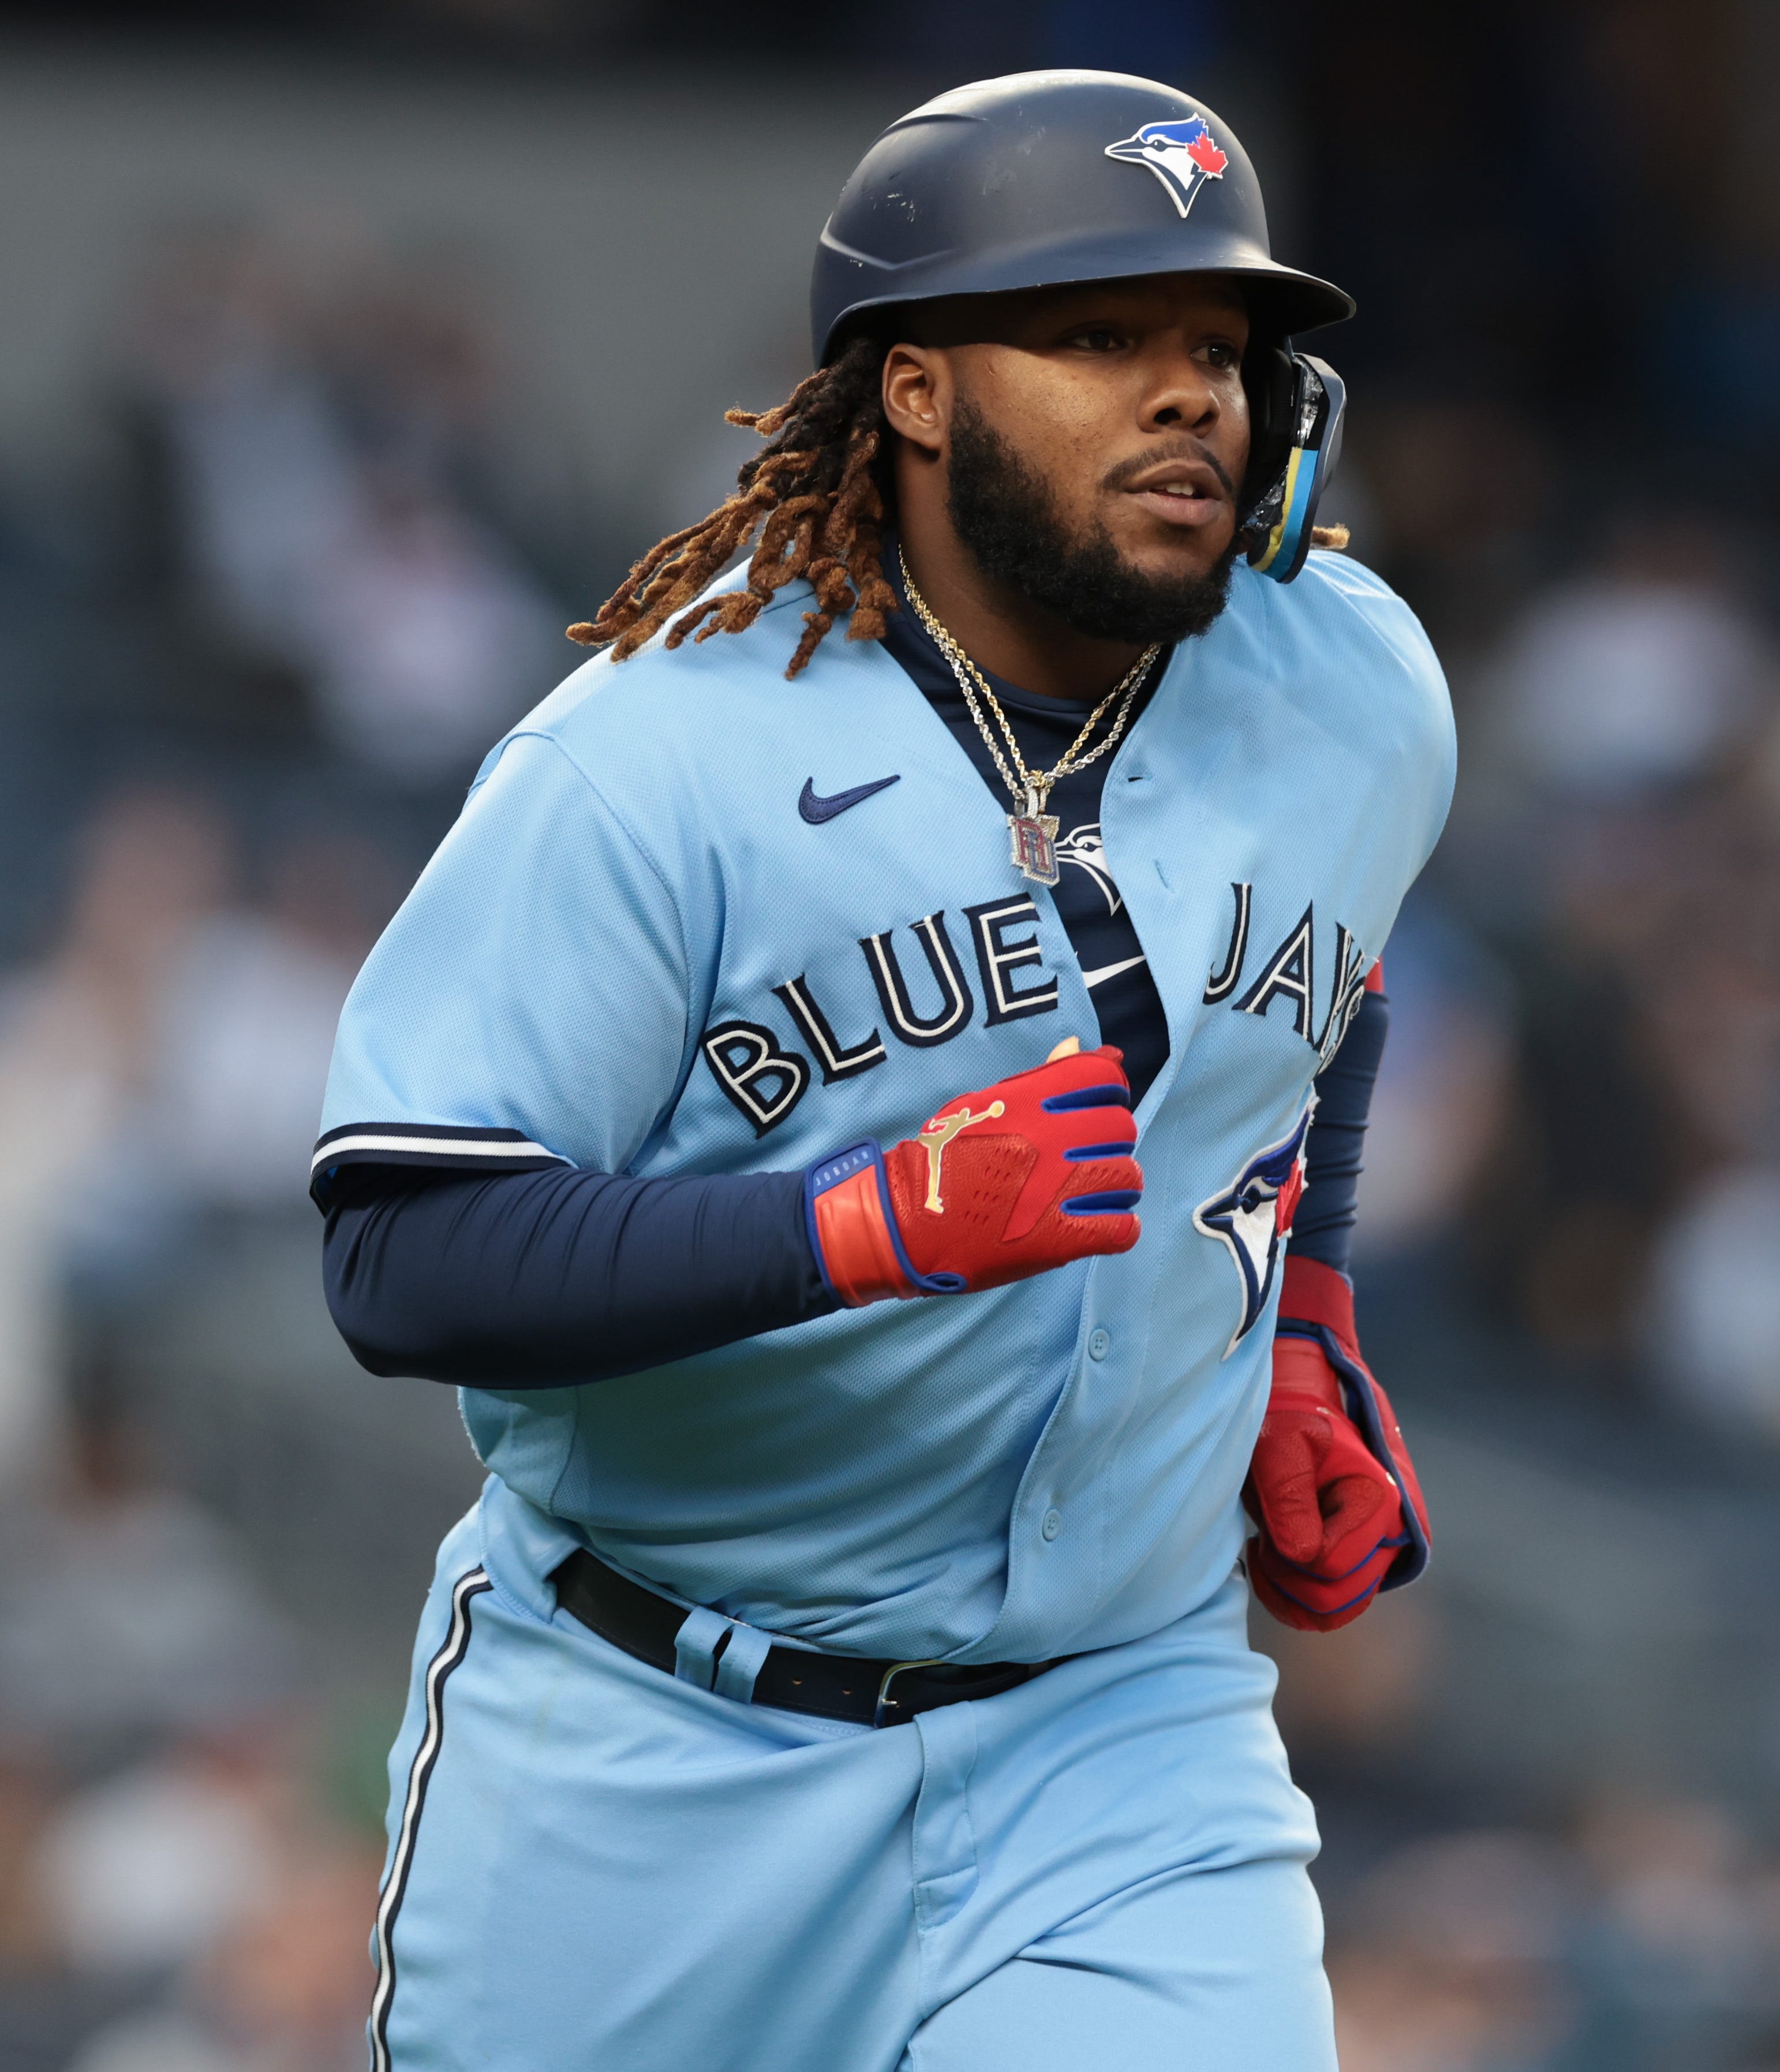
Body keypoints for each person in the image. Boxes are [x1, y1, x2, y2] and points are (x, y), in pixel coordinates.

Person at [312, 71, 1453, 2072]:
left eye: (1220, 349)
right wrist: (862, 1227)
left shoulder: (1352, 686)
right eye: (1100, 338)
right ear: (915, 392)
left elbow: (1320, 981)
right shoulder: (651, 759)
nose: (1192, 395)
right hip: (651, 1752)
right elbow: (405, 1257)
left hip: (1123, 1734)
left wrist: (1303, 1317)